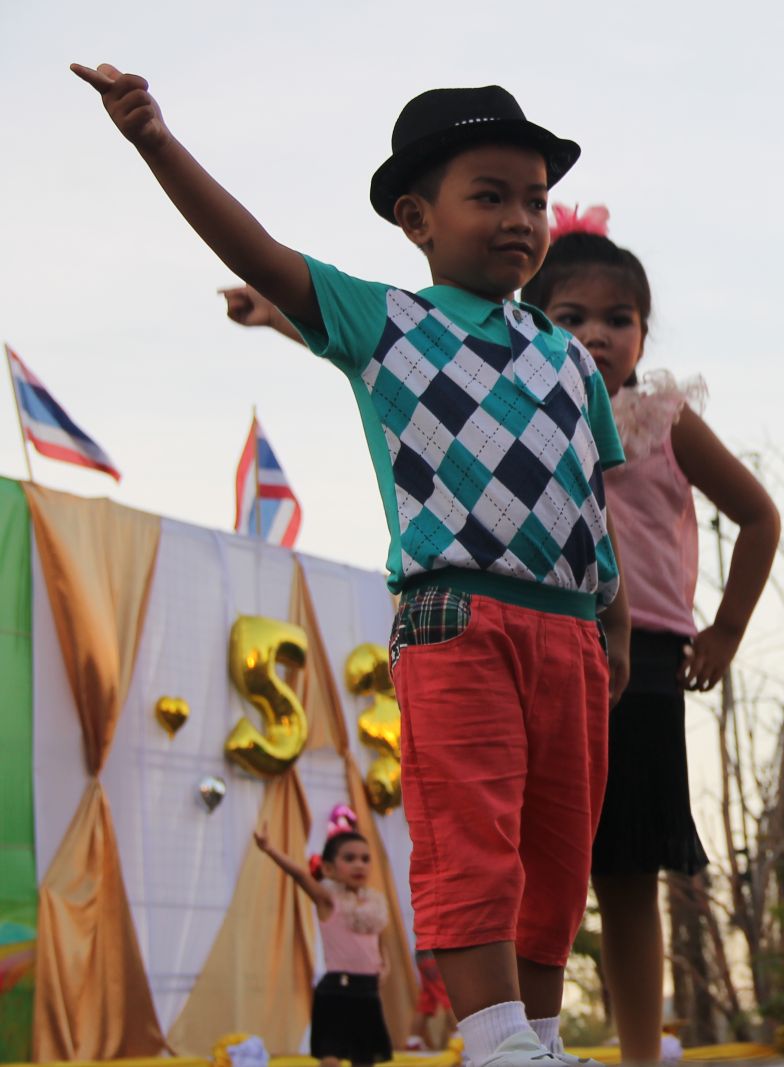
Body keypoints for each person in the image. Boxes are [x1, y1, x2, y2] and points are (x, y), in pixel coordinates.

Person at [75, 66, 629, 1066]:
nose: (520, 219)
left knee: (556, 848)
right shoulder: (386, 321)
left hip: (571, 633)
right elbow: (260, 251)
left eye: (536, 200)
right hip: (457, 616)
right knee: (473, 832)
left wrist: (614, 625)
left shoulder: (572, 362)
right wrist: (153, 138)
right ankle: (494, 1036)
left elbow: (595, 498)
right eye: (490, 196)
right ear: (416, 218)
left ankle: (540, 1037)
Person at [525, 206, 780, 1061]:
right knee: (532, 861)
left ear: (643, 331)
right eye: (572, 316)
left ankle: (640, 1053)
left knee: (628, 871)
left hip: (648, 665)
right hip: (540, 644)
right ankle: (526, 1042)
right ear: (531, 321)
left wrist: (727, 630)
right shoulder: (515, 408)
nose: (597, 334)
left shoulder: (662, 418)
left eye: (619, 318)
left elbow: (758, 515)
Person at [254, 824, 391, 1067]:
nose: (359, 865)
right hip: (337, 990)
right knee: (331, 1057)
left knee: (364, 1058)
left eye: (365, 859)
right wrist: (269, 849)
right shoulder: (329, 900)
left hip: (368, 990)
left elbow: (377, 941)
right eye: (349, 858)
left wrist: (385, 965)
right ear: (328, 868)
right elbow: (300, 875)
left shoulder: (374, 905)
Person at [406, 949, 455, 1051]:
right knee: (446, 994)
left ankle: (413, 1042)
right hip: (432, 954)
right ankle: (460, 1036)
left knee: (427, 1000)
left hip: (424, 955)